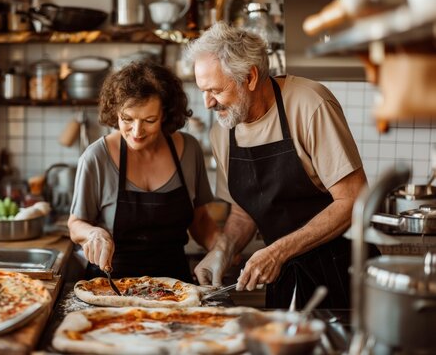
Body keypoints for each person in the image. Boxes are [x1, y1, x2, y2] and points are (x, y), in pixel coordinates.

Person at [184, 22, 379, 308]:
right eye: (202, 90)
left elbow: (352, 199)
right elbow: (245, 210)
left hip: (342, 273)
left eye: (215, 90)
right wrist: (222, 251)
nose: (208, 103)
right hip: (286, 279)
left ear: (250, 77)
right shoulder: (223, 131)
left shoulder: (309, 104)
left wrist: (278, 251)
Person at [68, 61, 219, 283]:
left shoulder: (189, 150)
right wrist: (93, 234)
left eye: (149, 120)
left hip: (174, 289)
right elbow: (75, 224)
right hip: (111, 288)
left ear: (166, 113)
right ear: (115, 112)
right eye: (127, 119)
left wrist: (222, 249)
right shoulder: (96, 157)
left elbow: (201, 221)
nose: (136, 132)